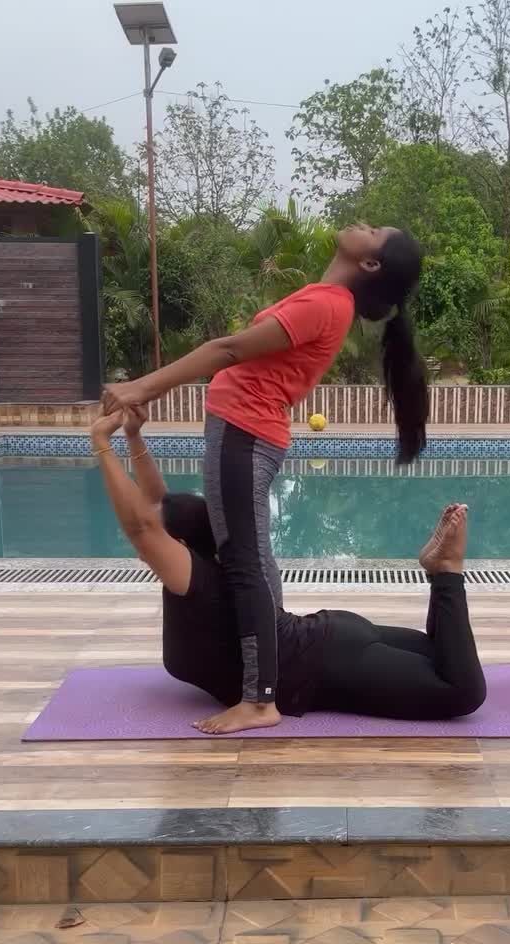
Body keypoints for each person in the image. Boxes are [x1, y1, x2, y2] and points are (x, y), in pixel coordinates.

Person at [101, 224, 429, 735]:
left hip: (245, 433)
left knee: (244, 558)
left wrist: (143, 387)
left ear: (371, 263)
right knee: (241, 551)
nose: (363, 223)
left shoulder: (327, 304)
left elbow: (229, 349)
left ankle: (260, 699)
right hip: (244, 431)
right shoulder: (325, 298)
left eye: (374, 231)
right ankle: (263, 661)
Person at [90, 407, 485, 730]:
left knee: (462, 691)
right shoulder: (217, 561)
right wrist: (133, 436)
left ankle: (446, 569)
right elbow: (158, 508)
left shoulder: (199, 583)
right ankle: (440, 573)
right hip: (328, 639)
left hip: (326, 664)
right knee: (443, 655)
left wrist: (102, 444)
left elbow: (143, 526)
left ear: (178, 544)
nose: (143, 547)